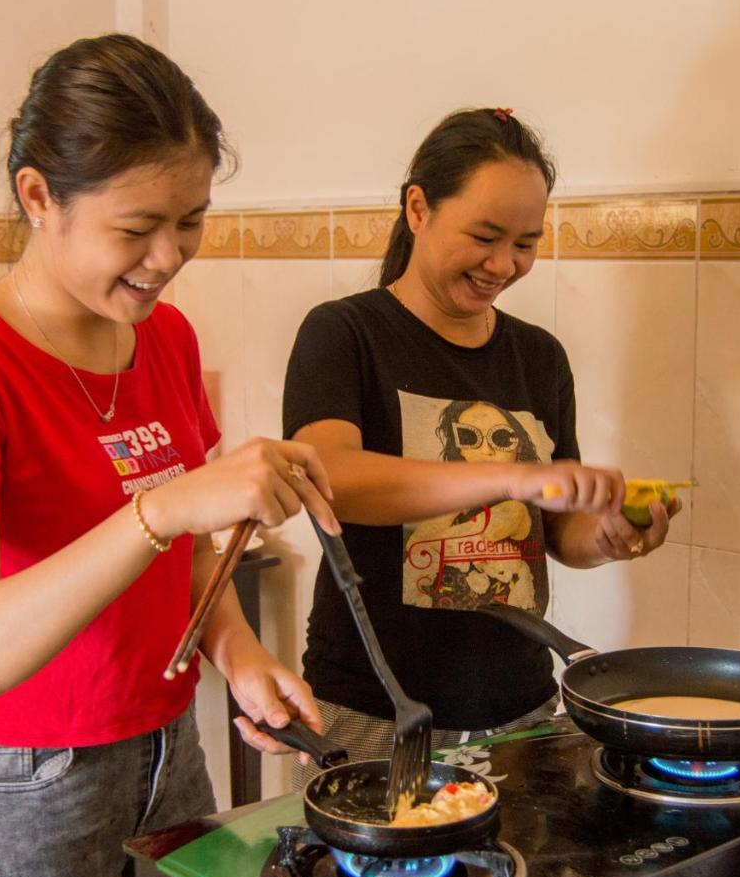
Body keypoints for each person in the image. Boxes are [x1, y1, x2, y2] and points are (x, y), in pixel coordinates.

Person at [0, 34, 336, 877]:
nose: (168, 255)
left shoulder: (163, 341)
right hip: (18, 788)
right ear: (37, 195)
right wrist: (162, 506)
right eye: (136, 227)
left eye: (189, 223)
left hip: (161, 750)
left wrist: (233, 652)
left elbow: (179, 568)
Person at [283, 107, 677, 779]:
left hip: (520, 712)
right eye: (485, 236)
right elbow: (333, 480)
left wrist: (605, 535)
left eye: (526, 242)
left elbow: (556, 530)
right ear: (418, 208)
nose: (505, 263)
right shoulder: (344, 334)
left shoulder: (539, 357)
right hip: (378, 716)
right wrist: (508, 478)